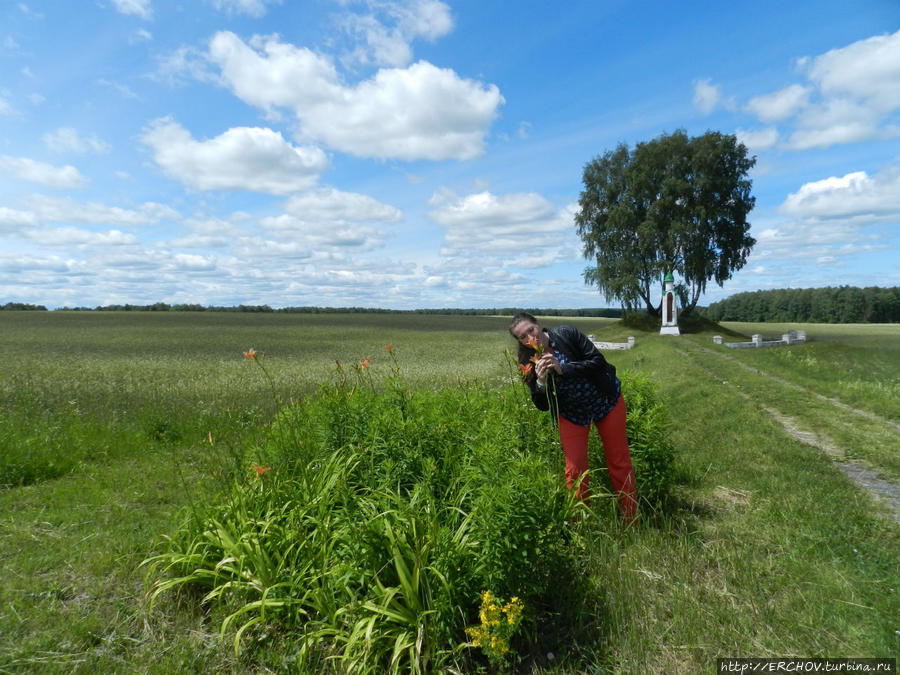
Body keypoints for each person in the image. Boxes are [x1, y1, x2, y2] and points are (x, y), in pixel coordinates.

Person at [509, 312, 637, 523]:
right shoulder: (527, 362)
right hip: (572, 414)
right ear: (520, 342)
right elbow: (541, 405)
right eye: (523, 337)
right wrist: (540, 383)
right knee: (574, 471)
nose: (530, 338)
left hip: (606, 401)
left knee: (619, 461)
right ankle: (581, 528)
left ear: (538, 324)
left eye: (531, 330)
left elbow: (598, 361)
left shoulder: (566, 334)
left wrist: (563, 368)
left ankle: (631, 519)